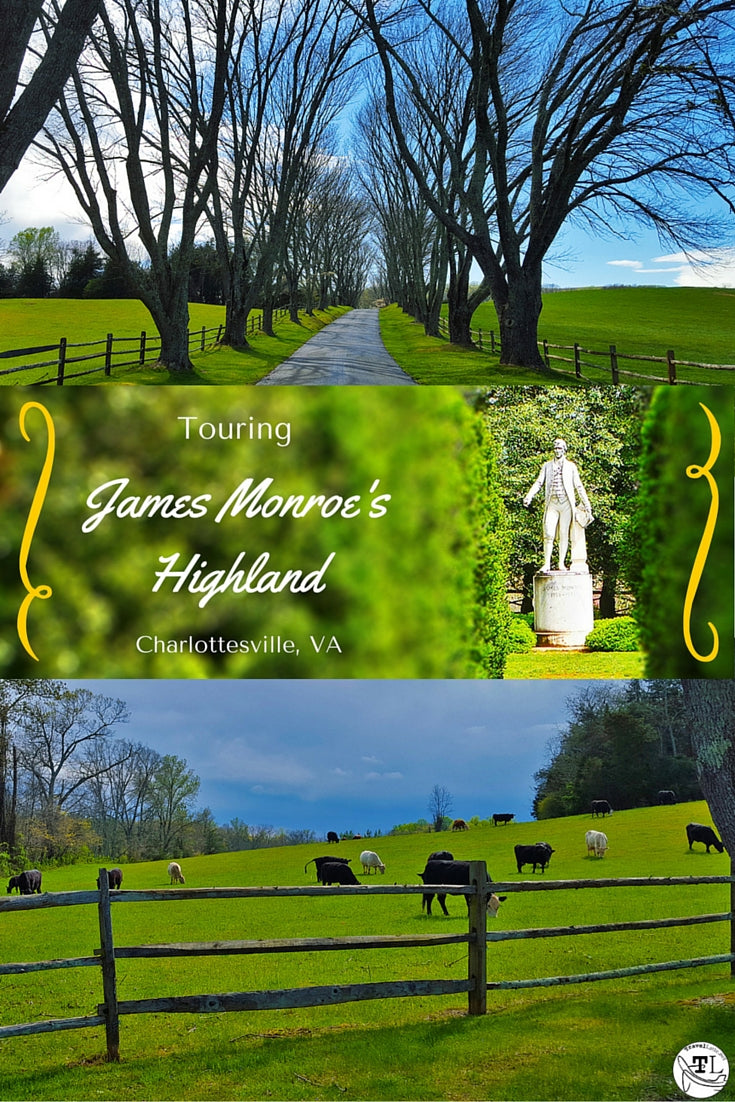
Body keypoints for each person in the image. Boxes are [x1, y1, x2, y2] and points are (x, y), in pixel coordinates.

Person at [523, 438, 593, 573]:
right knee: (548, 532)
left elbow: (579, 486)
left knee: (563, 533)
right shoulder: (547, 466)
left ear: (564, 450)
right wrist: (529, 495)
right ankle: (546, 563)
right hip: (552, 503)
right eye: (555, 448)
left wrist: (587, 504)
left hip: (566, 503)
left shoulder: (571, 466)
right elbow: (539, 482)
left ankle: (561, 563)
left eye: (560, 448)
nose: (557, 450)